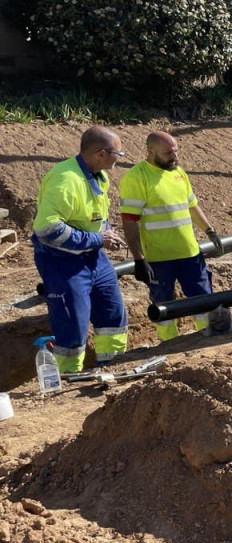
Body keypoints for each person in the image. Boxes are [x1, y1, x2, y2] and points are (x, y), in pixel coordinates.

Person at [32, 126, 128, 373]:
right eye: (118, 153)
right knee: (72, 324)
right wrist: (97, 239)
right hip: (62, 262)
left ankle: (113, 367)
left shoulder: (99, 176)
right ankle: (69, 377)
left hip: (95, 258)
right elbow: (47, 229)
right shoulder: (65, 179)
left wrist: (107, 234)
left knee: (112, 314)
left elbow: (96, 215)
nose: (120, 157)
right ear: (101, 153)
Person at [120, 131, 225, 340]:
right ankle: (169, 344)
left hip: (189, 252)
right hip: (159, 258)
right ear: (151, 152)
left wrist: (209, 230)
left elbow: (192, 205)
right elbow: (129, 221)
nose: (174, 156)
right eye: (168, 153)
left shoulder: (178, 172)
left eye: (175, 151)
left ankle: (207, 338)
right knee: (163, 304)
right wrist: (138, 258)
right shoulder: (136, 178)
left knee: (203, 299)